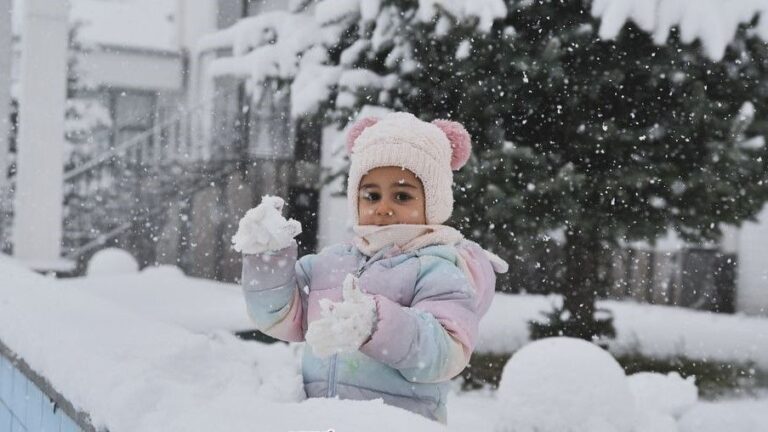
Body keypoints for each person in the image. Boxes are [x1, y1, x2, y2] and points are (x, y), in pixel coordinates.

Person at [233, 112, 508, 423]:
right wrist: (266, 257)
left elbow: (445, 354)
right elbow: (280, 316)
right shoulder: (331, 262)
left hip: (396, 424)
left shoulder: (438, 269)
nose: (383, 207)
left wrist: (376, 324)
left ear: (433, 202)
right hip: (322, 421)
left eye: (402, 195)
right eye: (372, 195)